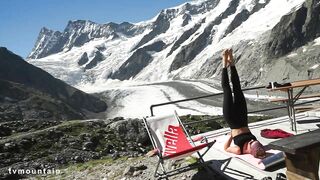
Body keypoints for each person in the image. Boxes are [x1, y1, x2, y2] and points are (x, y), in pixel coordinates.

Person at [221, 49, 266, 159]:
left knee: (227, 90)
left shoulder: (239, 150)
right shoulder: (255, 143)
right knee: (237, 89)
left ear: (251, 150)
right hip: (242, 118)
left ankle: (224, 62)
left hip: (232, 120)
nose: (253, 142)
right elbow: (259, 148)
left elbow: (226, 148)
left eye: (253, 145)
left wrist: (231, 136)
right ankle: (231, 62)